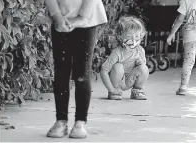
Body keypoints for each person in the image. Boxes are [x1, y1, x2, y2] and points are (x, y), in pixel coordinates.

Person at [44, 0, 107, 139]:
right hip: (61, 18)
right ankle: (61, 121)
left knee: (82, 73)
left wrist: (82, 18)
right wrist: (57, 17)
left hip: (87, 20)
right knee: (60, 71)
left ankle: (80, 121)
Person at [100, 16, 149, 100]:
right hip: (117, 81)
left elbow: (142, 71)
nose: (134, 40)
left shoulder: (140, 50)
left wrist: (140, 63)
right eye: (129, 37)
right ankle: (114, 92)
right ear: (120, 37)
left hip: (130, 80)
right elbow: (103, 70)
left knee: (144, 68)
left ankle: (136, 91)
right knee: (118, 66)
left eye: (137, 37)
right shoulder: (117, 52)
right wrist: (111, 89)